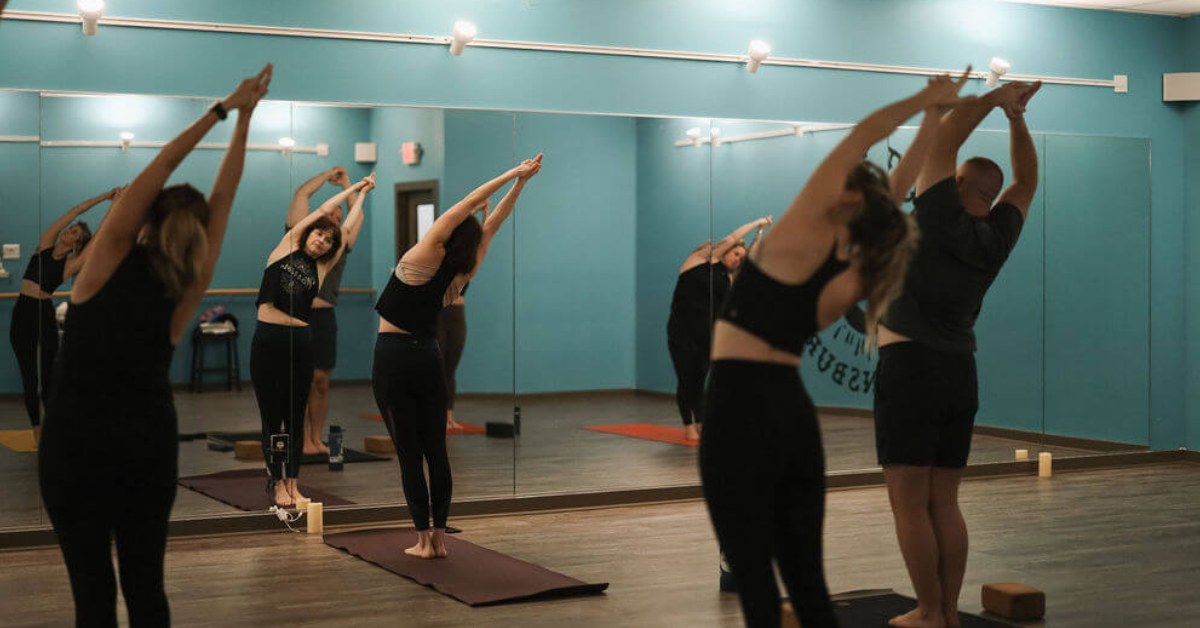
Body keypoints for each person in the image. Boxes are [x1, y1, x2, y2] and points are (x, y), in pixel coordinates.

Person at [700, 70, 971, 627]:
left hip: (737, 403)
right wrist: (935, 119)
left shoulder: (796, 234)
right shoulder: (857, 262)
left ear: (846, 195)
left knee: (755, 578)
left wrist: (928, 98)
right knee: (806, 578)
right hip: (791, 411)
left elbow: (867, 133)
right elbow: (895, 196)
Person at [38, 65, 272, 626]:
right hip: (146, 448)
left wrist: (225, 108)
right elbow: (226, 192)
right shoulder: (187, 285)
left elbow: (162, 164)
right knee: (146, 590)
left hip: (75, 447)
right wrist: (247, 120)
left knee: (92, 595)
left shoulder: (100, 263)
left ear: (144, 224)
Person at [874, 79, 1041, 628]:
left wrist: (994, 97)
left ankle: (928, 611)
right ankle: (945, 610)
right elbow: (1027, 179)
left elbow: (943, 140)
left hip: (909, 369)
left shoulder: (938, 211)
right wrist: (1017, 119)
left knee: (909, 504)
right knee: (944, 502)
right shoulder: (997, 234)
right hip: (958, 373)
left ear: (959, 182)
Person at [373, 154, 542, 559]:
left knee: (410, 455)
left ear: (447, 231)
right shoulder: (466, 269)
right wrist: (521, 185)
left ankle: (421, 541)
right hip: (429, 358)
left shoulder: (424, 251)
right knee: (436, 451)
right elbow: (493, 224)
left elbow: (469, 205)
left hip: (394, 357)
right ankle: (440, 540)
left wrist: (511, 172)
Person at [252, 168, 374, 508]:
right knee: (272, 417)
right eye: (318, 235)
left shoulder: (321, 268)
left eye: (327, 240)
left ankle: (292, 482)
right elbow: (320, 213)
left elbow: (348, 229)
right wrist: (349, 190)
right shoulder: (284, 249)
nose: (321, 240)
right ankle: (276, 482)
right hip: (268, 339)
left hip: (301, 342)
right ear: (307, 234)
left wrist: (362, 193)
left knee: (293, 415)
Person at [9, 189, 109, 441]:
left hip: (44, 314)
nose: (68, 231)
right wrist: (106, 196)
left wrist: (115, 206)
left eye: (74, 232)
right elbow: (74, 211)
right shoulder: (44, 244)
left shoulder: (71, 265)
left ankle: (55, 426)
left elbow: (99, 238)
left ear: (76, 244)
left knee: (49, 377)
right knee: (29, 378)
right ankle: (36, 430)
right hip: (23, 312)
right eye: (71, 229)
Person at [666, 217, 771, 441]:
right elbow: (733, 237)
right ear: (723, 252)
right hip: (682, 331)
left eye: (739, 258)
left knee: (699, 379)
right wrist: (758, 222)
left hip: (709, 335)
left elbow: (752, 256)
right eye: (735, 254)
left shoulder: (730, 277)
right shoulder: (695, 261)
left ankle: (702, 422)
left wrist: (760, 234)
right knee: (685, 377)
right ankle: (688, 424)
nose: (737, 259)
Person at [284, 166, 364, 455]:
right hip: (298, 316)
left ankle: (316, 438)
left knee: (320, 381)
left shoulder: (340, 245)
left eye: (341, 217)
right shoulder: (298, 237)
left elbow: (359, 216)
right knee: (302, 380)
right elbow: (302, 193)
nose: (337, 219)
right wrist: (328, 174)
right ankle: (301, 439)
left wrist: (350, 184)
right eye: (333, 214)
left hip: (324, 317)